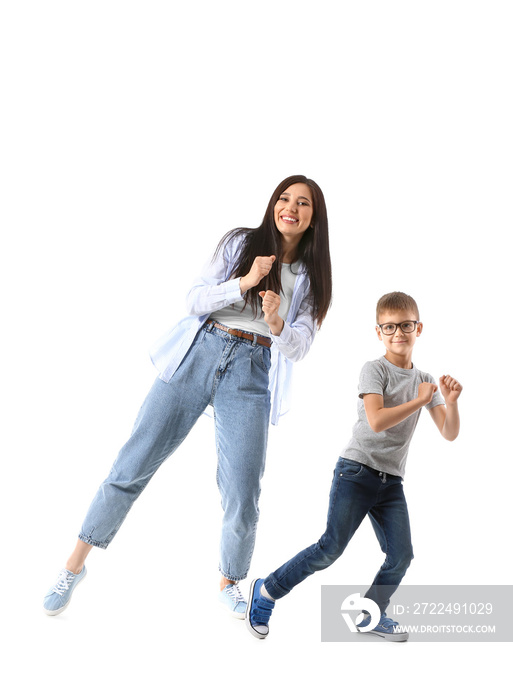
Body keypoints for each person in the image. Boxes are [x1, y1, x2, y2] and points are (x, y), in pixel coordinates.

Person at [43, 175, 332, 619]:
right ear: (274, 204)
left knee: (242, 489)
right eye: (284, 198)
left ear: (314, 218)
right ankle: (73, 566)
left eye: (303, 203)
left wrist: (276, 323)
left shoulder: (311, 277)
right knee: (132, 464)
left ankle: (229, 581)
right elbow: (194, 299)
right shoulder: (241, 243)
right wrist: (244, 282)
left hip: (251, 371)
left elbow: (301, 345)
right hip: (198, 354)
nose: (290, 207)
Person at [246, 291, 462, 642]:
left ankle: (370, 614)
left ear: (418, 328)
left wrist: (448, 403)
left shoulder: (425, 379)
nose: (398, 333)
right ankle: (268, 590)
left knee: (401, 555)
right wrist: (419, 401)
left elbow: (449, 432)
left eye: (405, 325)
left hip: (391, 482)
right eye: (389, 327)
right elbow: (376, 421)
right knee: (330, 548)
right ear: (379, 332)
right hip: (357, 471)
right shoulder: (374, 369)